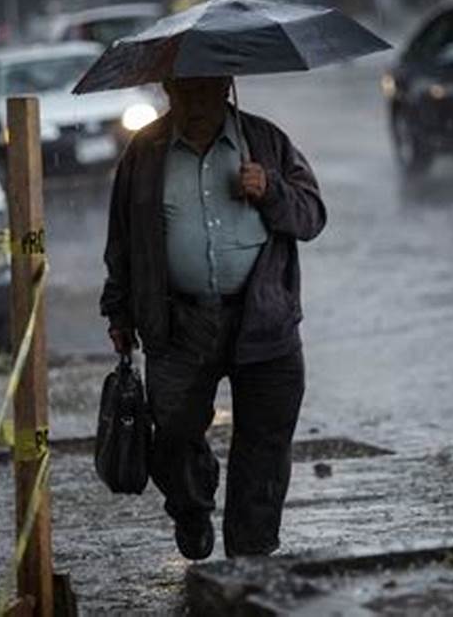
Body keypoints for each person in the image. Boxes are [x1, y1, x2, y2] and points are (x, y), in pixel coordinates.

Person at [100, 76, 326, 560]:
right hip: (178, 323)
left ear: (225, 87)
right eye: (184, 93)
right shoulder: (145, 152)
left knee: (264, 447)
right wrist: (119, 311)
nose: (195, 104)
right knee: (174, 436)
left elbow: (312, 216)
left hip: (265, 320)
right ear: (167, 91)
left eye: (205, 92)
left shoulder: (265, 140)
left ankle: (250, 558)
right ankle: (192, 504)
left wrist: (270, 189)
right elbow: (122, 240)